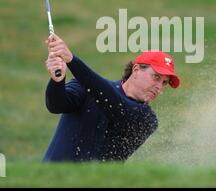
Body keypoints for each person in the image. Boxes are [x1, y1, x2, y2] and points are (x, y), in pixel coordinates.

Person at [43, 34, 180, 162]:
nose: (159, 87)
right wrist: (57, 81)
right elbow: (56, 105)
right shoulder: (85, 86)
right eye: (156, 77)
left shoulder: (147, 119)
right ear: (136, 70)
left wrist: (72, 60)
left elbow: (114, 103)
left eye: (164, 83)